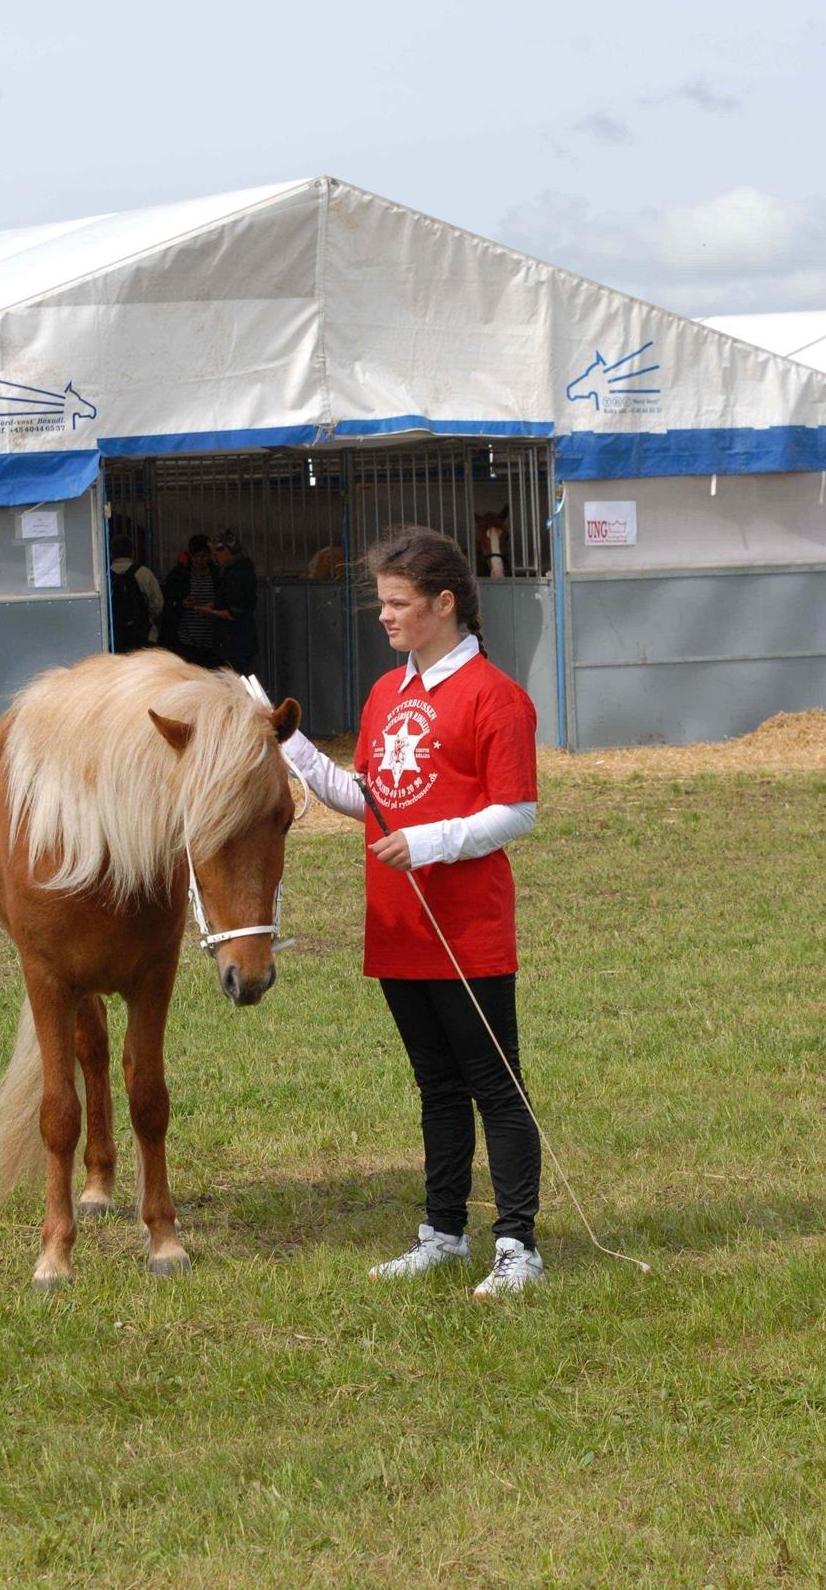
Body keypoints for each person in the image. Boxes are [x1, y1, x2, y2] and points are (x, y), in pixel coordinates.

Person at [282, 526, 543, 1296]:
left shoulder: (497, 697)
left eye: (398, 604)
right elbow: (363, 799)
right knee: (435, 1085)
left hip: (466, 928)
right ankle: (443, 1233)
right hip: (397, 926)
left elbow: (516, 812)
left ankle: (518, 1244)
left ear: (444, 603)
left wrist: (431, 842)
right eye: (382, 603)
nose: (384, 616)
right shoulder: (384, 693)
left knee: (494, 1086)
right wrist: (288, 744)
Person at [159, 533, 221, 668]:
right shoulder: (179, 575)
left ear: (210, 556)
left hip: (212, 640)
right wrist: (181, 603)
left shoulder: (218, 576)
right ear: (190, 556)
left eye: (203, 556)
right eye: (195, 556)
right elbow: (167, 601)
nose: (199, 560)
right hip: (185, 640)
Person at [205, 529, 258, 675]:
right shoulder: (239, 570)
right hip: (237, 643)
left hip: (234, 643)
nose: (215, 559)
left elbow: (234, 613)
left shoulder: (236, 574)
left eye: (217, 554)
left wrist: (211, 611)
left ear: (226, 551)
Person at [109, 530, 163, 652]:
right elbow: (158, 605)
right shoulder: (144, 573)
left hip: (115, 637)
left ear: (112, 552)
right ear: (132, 551)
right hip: (144, 634)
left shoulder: (105, 575)